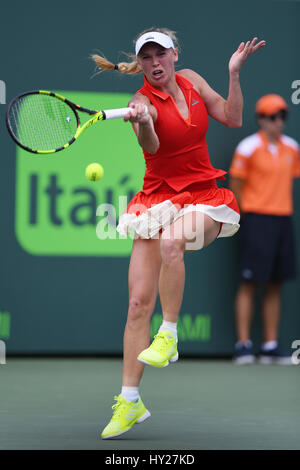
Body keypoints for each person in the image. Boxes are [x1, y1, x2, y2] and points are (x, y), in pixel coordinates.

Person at [92, 27, 265, 439]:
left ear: (174, 55)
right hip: (156, 200)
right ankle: (130, 402)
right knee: (137, 303)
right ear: (141, 62)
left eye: (160, 55)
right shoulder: (140, 102)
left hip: (204, 195)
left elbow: (233, 116)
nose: (154, 63)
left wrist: (235, 74)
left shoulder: (193, 80)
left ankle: (168, 333)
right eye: (147, 57)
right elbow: (151, 148)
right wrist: (144, 120)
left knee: (175, 241)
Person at [229, 94, 300, 365]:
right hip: (256, 220)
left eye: (282, 117)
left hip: (283, 220)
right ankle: (243, 345)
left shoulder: (292, 148)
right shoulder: (247, 147)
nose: (278, 122)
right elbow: (236, 184)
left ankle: (270, 345)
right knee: (249, 282)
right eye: (272, 117)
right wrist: (245, 215)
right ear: (261, 119)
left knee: (275, 283)